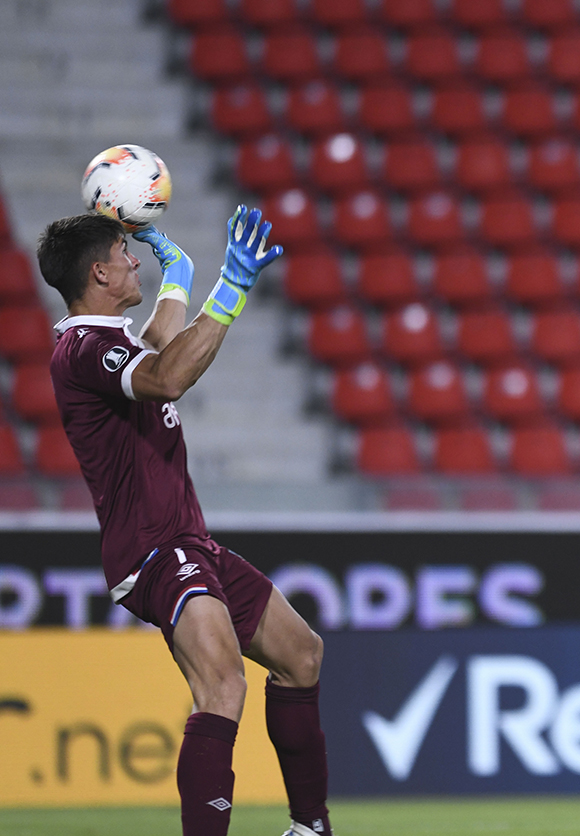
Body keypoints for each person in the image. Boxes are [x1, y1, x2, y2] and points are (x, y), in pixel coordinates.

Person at [38, 208, 332, 836]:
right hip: (152, 550)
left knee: (301, 654)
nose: (134, 259)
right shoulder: (84, 349)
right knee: (223, 684)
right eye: (124, 253)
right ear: (99, 273)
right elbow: (167, 376)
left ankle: (311, 828)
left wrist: (180, 275)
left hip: (187, 541)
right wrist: (230, 289)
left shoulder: (107, 345)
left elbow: (154, 350)